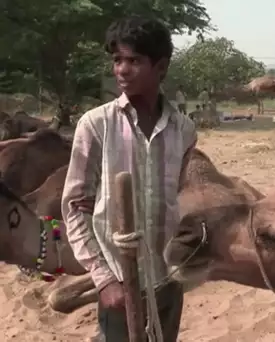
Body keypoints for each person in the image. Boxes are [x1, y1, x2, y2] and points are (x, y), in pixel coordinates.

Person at [61, 16, 196, 342]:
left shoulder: (184, 130)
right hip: (120, 286)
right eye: (117, 60)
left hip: (168, 282)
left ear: (160, 66)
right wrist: (104, 279)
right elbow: (75, 207)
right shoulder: (95, 125)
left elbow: (180, 198)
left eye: (134, 60)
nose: (121, 69)